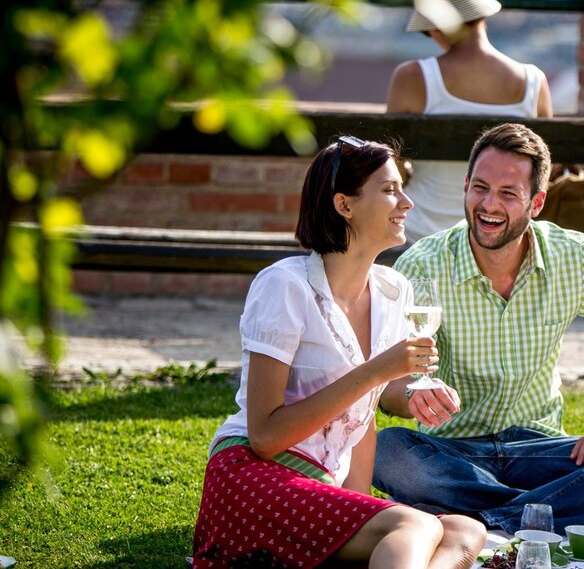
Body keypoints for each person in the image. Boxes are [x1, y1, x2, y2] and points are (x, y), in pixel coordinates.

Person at [372, 123, 584, 535]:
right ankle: (565, 509)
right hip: (457, 454)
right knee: (390, 451)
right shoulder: (424, 265)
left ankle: (493, 518)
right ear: (465, 186)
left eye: (508, 194)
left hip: (550, 453)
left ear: (537, 202)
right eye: (480, 187)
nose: (488, 205)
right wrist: (413, 395)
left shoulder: (570, 257)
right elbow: (389, 388)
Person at [191, 136, 485, 568]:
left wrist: (413, 394)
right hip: (254, 475)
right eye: (389, 190)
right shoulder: (285, 287)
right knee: (416, 527)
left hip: (321, 487)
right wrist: (376, 371)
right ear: (344, 205)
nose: (406, 202)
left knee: (466, 530)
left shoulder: (393, 290)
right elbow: (265, 437)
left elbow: (371, 408)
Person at [387, 0, 553, 243]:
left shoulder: (413, 78)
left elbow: (389, 169)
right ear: (481, 14)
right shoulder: (534, 82)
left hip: (420, 234)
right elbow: (543, 172)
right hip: (501, 237)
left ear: (437, 25)